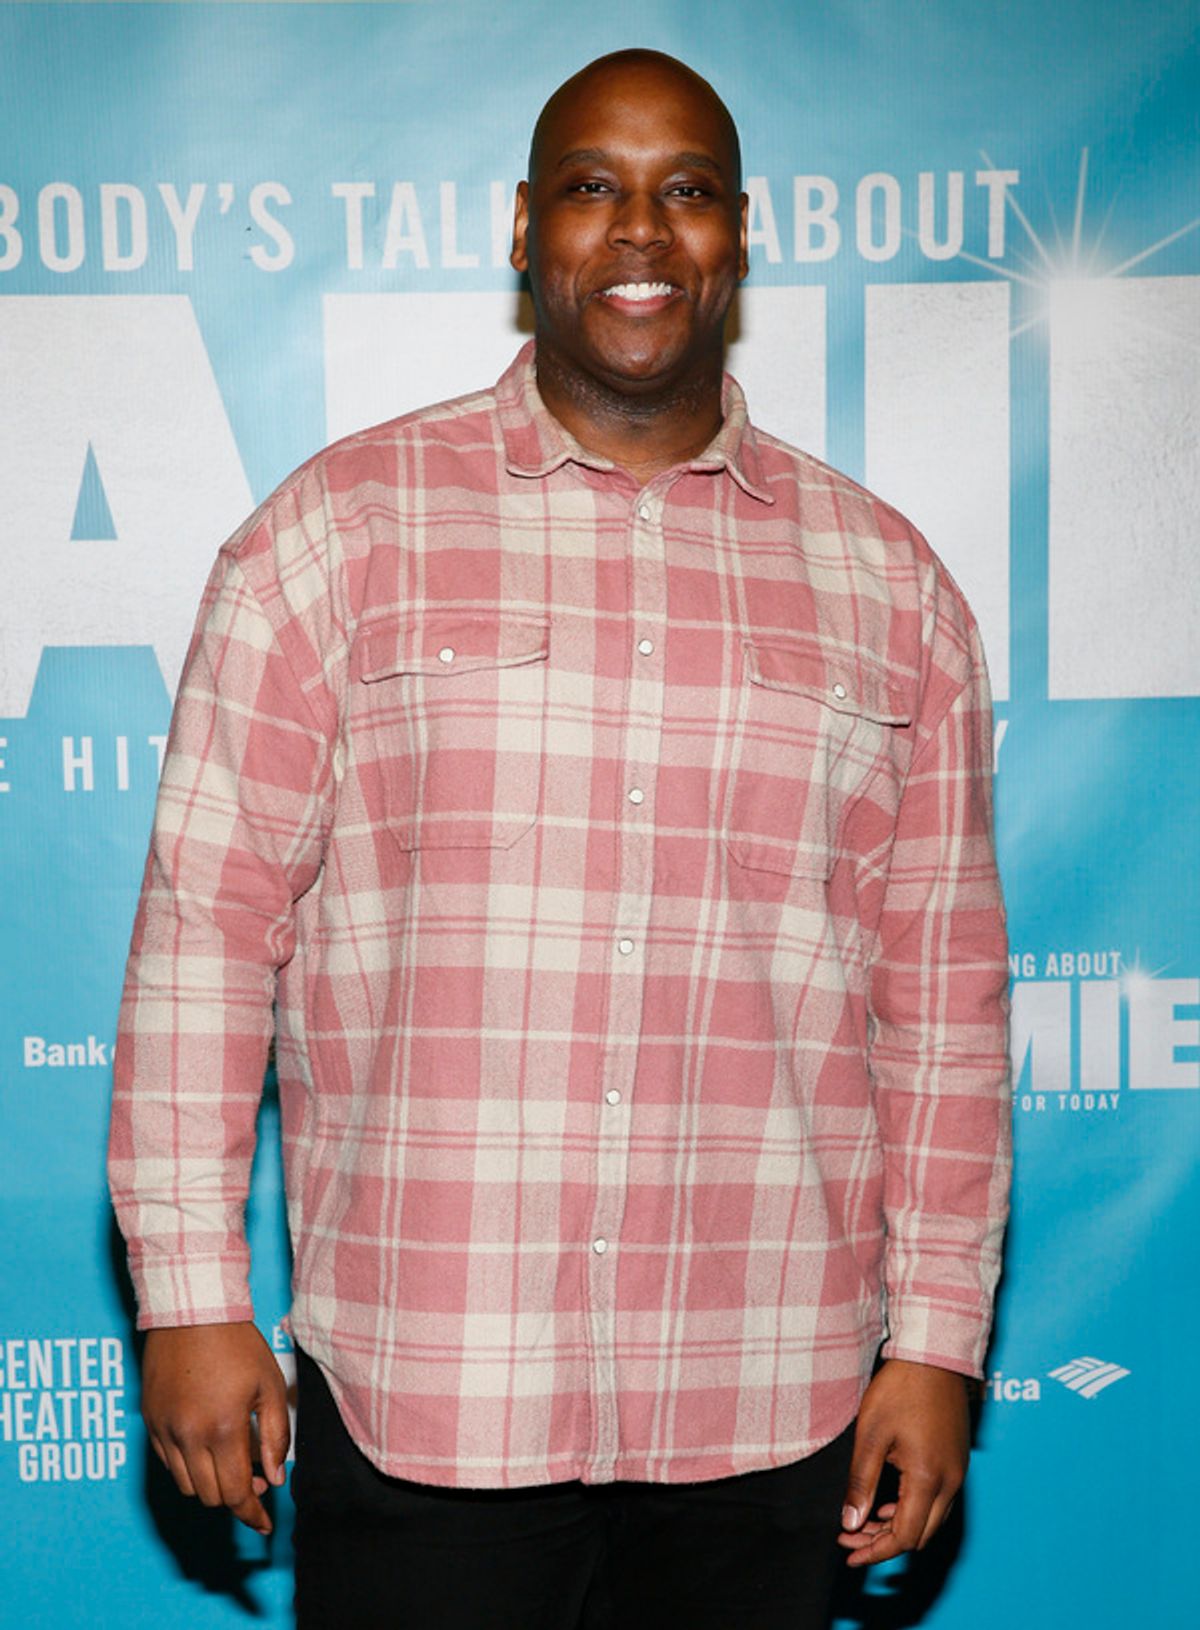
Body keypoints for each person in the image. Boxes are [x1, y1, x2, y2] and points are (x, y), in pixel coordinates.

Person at [109, 47, 1011, 1630]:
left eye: (688, 190)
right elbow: (206, 931)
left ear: (741, 234)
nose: (641, 231)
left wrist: (934, 1340)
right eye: (595, 186)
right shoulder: (334, 536)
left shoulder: (893, 590)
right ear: (527, 226)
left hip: (766, 1393)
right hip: (431, 1388)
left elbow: (940, 1005)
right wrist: (189, 1300)